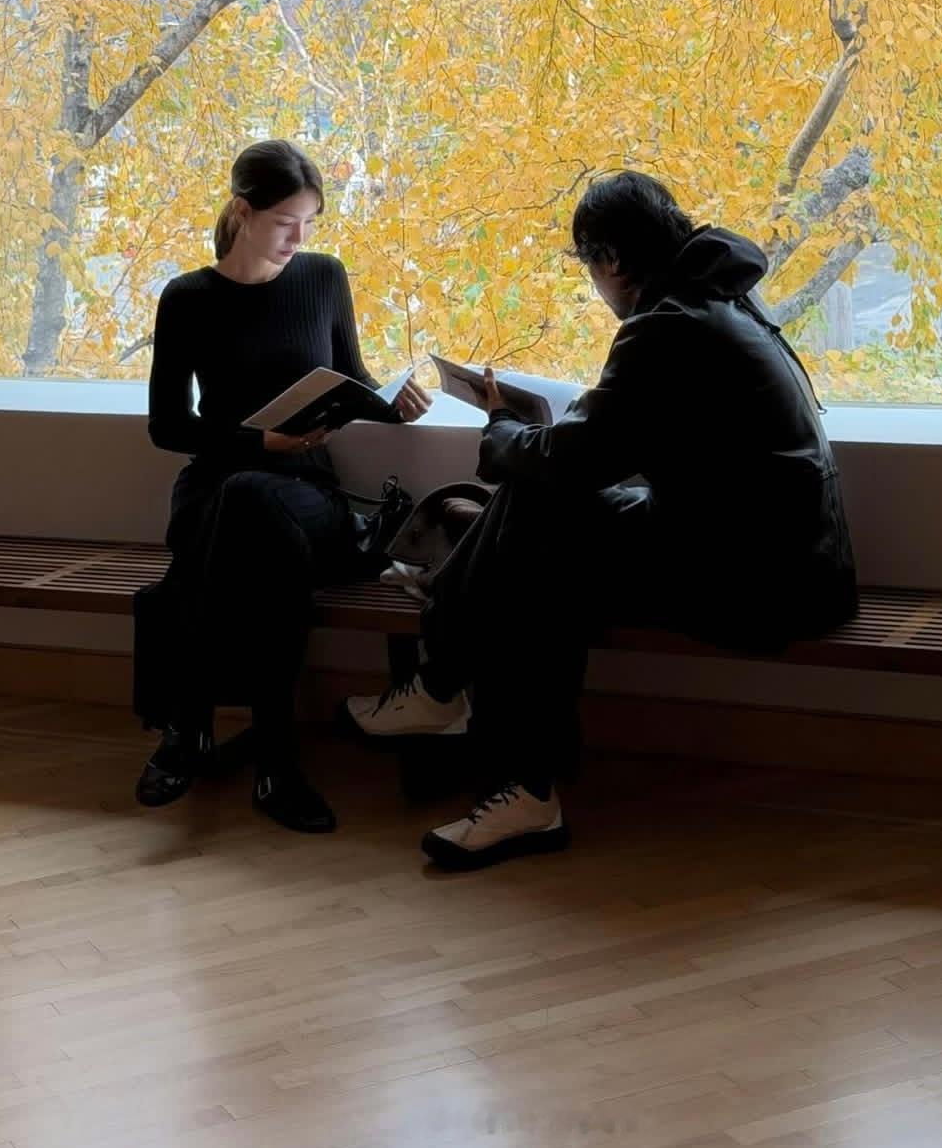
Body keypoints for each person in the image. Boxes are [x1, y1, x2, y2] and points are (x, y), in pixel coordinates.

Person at [343, 170, 857, 869]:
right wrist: (541, 437)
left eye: (590, 267)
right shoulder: (716, 298)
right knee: (540, 528)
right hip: (789, 556)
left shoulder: (668, 325)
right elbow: (616, 442)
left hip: (759, 581)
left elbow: (581, 459)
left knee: (540, 544)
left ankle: (460, 709)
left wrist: (501, 428)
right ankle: (481, 738)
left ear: (610, 258)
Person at [137, 138, 431, 832]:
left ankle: (188, 727)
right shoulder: (187, 298)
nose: (299, 239)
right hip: (220, 487)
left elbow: (351, 381)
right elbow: (167, 425)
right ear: (242, 212)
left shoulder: (323, 277)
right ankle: (275, 762)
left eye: (309, 223)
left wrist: (393, 405)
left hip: (305, 492)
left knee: (247, 507)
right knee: (245, 508)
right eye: (284, 223)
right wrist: (258, 443)